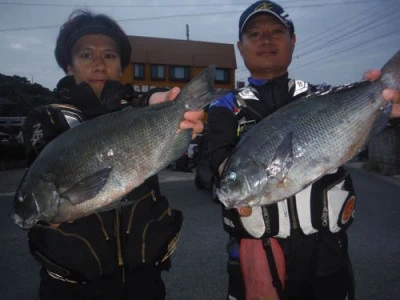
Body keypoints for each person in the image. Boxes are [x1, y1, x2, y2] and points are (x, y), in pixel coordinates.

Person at [206, 1, 400, 300]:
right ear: (240, 48)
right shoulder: (224, 107)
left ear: (293, 40)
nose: (266, 39)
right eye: (254, 34)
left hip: (327, 252)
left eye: (276, 31)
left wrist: (386, 102)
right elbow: (218, 158)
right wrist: (230, 177)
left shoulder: (320, 94)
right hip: (258, 254)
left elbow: (370, 121)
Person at [21, 10, 204, 300]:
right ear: (68, 64)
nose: (98, 64)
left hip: (145, 278)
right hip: (71, 287)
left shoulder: (141, 109)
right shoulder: (45, 118)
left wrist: (166, 108)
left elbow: (140, 107)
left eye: (109, 56)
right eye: (85, 55)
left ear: (121, 66)